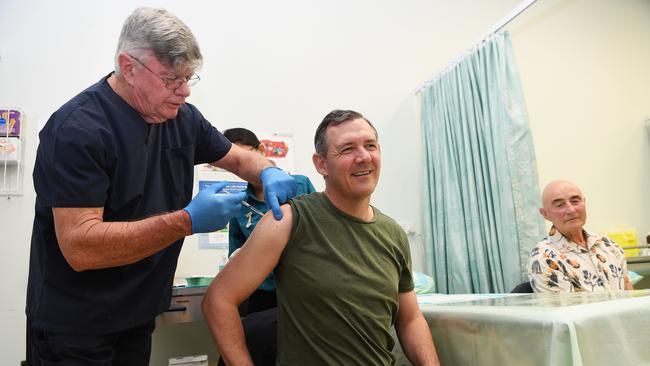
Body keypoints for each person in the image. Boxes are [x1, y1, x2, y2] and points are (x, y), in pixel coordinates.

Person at [25, 7, 296, 365]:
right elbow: (81, 247)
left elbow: (238, 158)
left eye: (190, 77)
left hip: (138, 315)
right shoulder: (79, 130)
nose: (184, 90)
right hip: (76, 327)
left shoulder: (182, 118)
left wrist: (267, 172)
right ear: (128, 66)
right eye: (172, 79)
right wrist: (187, 220)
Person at [203, 110, 440, 365]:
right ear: (321, 164)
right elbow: (219, 300)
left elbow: (410, 318)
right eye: (347, 149)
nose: (363, 156)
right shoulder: (289, 220)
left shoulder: (393, 234)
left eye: (370, 145)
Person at [223, 127, 316, 315]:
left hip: (304, 291)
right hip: (262, 295)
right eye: (232, 162)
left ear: (262, 151)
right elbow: (235, 254)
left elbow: (320, 231)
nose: (241, 165)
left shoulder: (300, 185)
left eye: (245, 155)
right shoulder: (239, 204)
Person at [528, 180, 634, 293]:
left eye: (575, 201)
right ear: (545, 214)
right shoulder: (544, 258)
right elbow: (563, 309)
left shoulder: (607, 244)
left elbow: (628, 291)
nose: (571, 210)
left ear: (584, 203)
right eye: (559, 205)